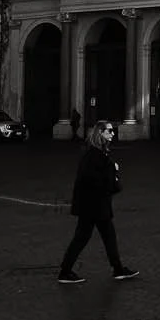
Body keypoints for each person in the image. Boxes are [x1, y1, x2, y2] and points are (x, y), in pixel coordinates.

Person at [59, 121, 138, 284]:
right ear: (100, 133)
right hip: (94, 206)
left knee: (105, 237)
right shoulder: (95, 155)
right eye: (109, 130)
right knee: (83, 238)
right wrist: (113, 171)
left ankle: (117, 269)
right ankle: (65, 272)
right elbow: (95, 181)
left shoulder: (95, 153)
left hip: (95, 205)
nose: (113, 133)